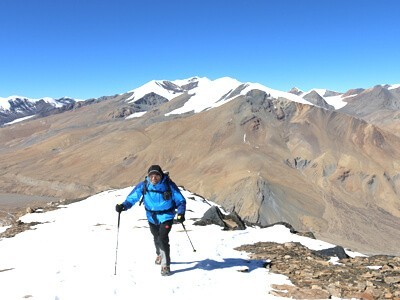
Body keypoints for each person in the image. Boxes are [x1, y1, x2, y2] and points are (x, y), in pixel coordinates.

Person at [115, 164, 186, 276]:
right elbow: (132, 198)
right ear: (148, 176)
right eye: (151, 175)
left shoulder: (169, 185)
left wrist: (181, 213)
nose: (154, 178)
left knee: (163, 238)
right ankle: (159, 254)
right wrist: (123, 206)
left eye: (157, 175)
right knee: (156, 236)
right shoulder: (144, 185)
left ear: (161, 175)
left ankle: (165, 265)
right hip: (151, 217)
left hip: (167, 216)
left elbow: (180, 200)